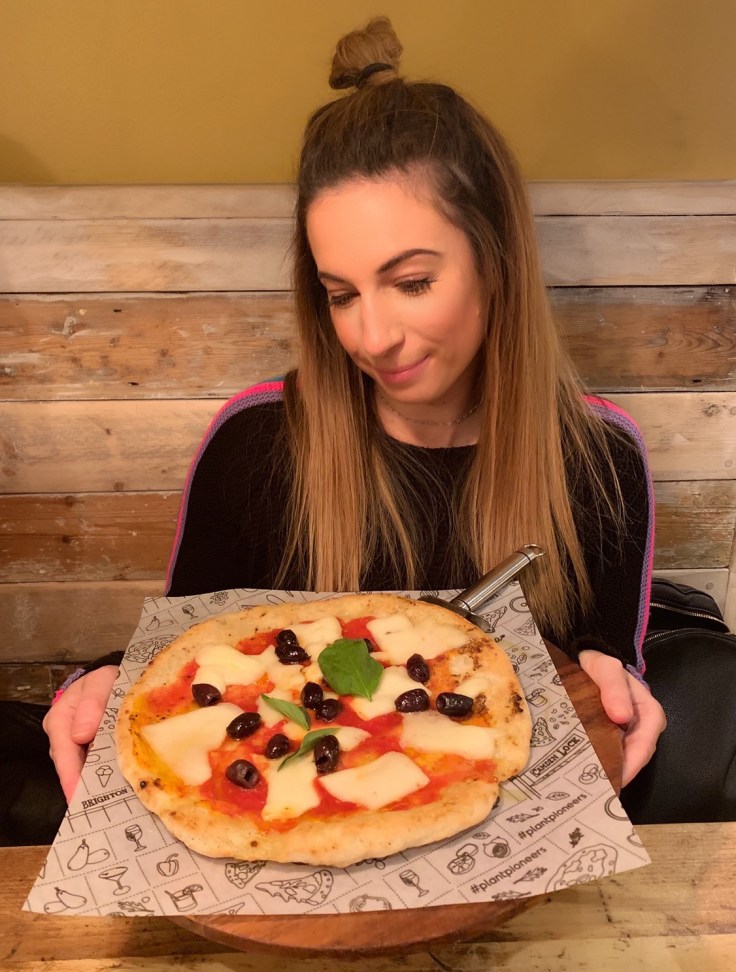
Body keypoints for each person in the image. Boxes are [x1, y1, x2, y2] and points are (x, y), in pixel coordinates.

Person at [40, 16, 664, 828]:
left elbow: (604, 669)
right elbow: (190, 661)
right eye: (341, 294)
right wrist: (94, 684)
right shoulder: (255, 442)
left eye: (411, 282)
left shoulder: (601, 458)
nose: (371, 337)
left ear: (497, 261)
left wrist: (623, 687)